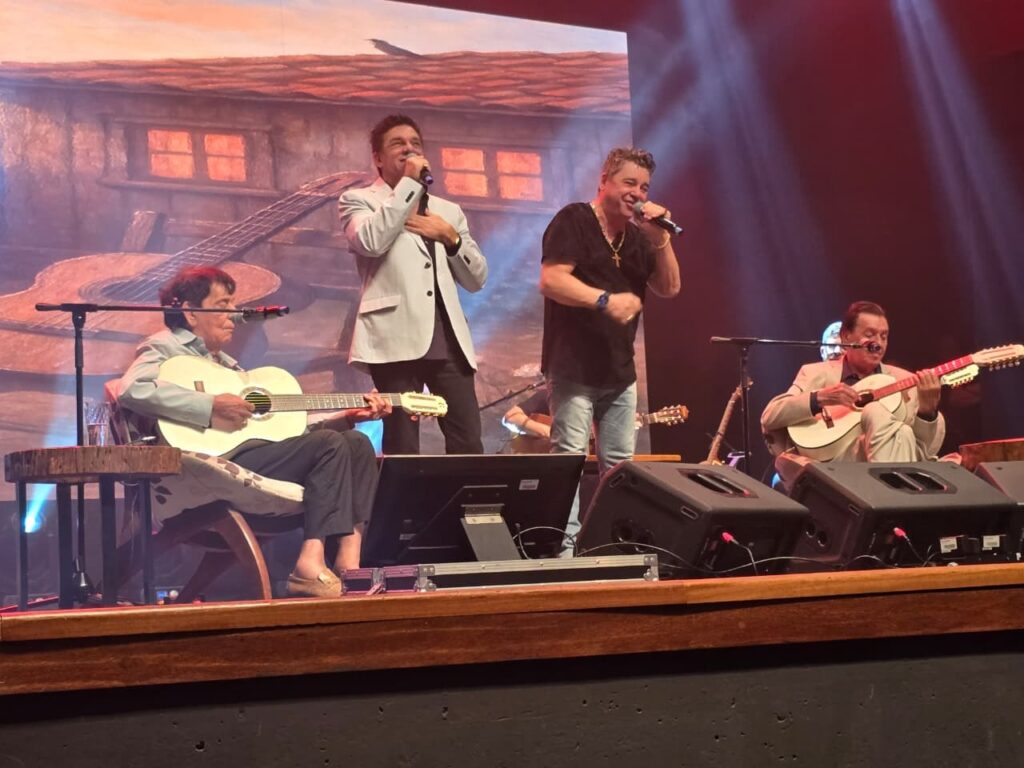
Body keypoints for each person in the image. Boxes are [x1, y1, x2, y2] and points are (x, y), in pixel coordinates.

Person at [118, 266, 389, 598]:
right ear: (190, 313)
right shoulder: (165, 346)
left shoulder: (229, 366)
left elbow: (282, 428)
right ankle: (309, 563)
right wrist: (208, 405)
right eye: (223, 305)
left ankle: (350, 565)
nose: (235, 314)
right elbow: (131, 390)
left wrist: (345, 416)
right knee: (329, 446)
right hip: (208, 468)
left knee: (356, 442)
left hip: (250, 454)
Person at [539, 147, 682, 553]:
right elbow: (551, 280)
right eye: (629, 183)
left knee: (620, 470)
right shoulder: (574, 220)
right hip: (573, 369)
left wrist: (661, 239)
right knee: (567, 461)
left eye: (644, 187)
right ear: (604, 180)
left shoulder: (639, 239)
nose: (637, 193)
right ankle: (562, 556)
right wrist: (605, 300)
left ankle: (611, 551)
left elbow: (670, 288)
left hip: (619, 373)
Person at [339, 114, 488, 455]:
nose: (409, 149)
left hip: (447, 339)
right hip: (394, 337)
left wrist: (451, 239)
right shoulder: (359, 200)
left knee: (467, 439)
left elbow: (477, 278)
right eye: (398, 144)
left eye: (415, 144)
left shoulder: (448, 211)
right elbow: (371, 241)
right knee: (403, 443)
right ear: (377, 158)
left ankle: (462, 506)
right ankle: (404, 509)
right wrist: (408, 185)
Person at [761, 300, 945, 490]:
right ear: (846, 336)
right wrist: (819, 398)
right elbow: (770, 417)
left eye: (884, 336)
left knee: (902, 431)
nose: (879, 343)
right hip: (832, 468)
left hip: (888, 462)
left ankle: (889, 502)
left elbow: (924, 450)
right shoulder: (816, 373)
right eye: (870, 335)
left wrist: (927, 413)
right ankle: (895, 504)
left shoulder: (904, 380)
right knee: (875, 411)